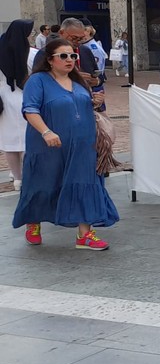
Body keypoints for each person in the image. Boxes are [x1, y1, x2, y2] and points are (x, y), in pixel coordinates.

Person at [12, 37, 118, 250]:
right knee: (43, 184)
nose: (69, 60)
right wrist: (46, 132)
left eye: (73, 55)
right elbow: (30, 110)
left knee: (85, 183)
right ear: (50, 60)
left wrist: (93, 102)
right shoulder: (38, 80)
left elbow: (80, 109)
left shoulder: (78, 81)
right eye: (63, 56)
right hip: (48, 145)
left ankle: (85, 235)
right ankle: (33, 222)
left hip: (83, 145)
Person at [0, 20, 35, 192]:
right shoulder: (30, 53)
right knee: (28, 139)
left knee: (10, 141)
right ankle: (29, 176)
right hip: (26, 95)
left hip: (4, 98)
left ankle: (17, 178)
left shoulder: (1, 49)